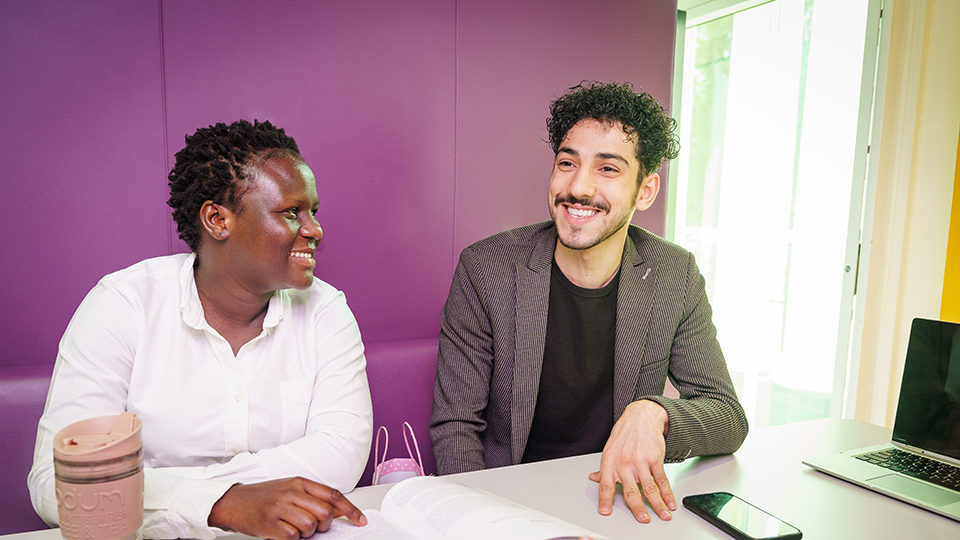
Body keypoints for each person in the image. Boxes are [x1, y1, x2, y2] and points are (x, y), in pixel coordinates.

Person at [28, 120, 372, 540]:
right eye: (290, 212)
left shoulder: (326, 310)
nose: (314, 229)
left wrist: (184, 492)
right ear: (217, 219)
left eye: (313, 212)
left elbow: (341, 452)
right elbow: (58, 485)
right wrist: (223, 504)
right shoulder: (123, 305)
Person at [430, 82, 748, 525]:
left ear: (646, 191)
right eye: (567, 162)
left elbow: (728, 416)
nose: (578, 187)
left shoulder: (675, 274)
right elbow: (455, 426)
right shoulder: (486, 269)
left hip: (616, 505)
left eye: (608, 169)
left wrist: (653, 413)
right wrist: (485, 522)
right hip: (505, 505)